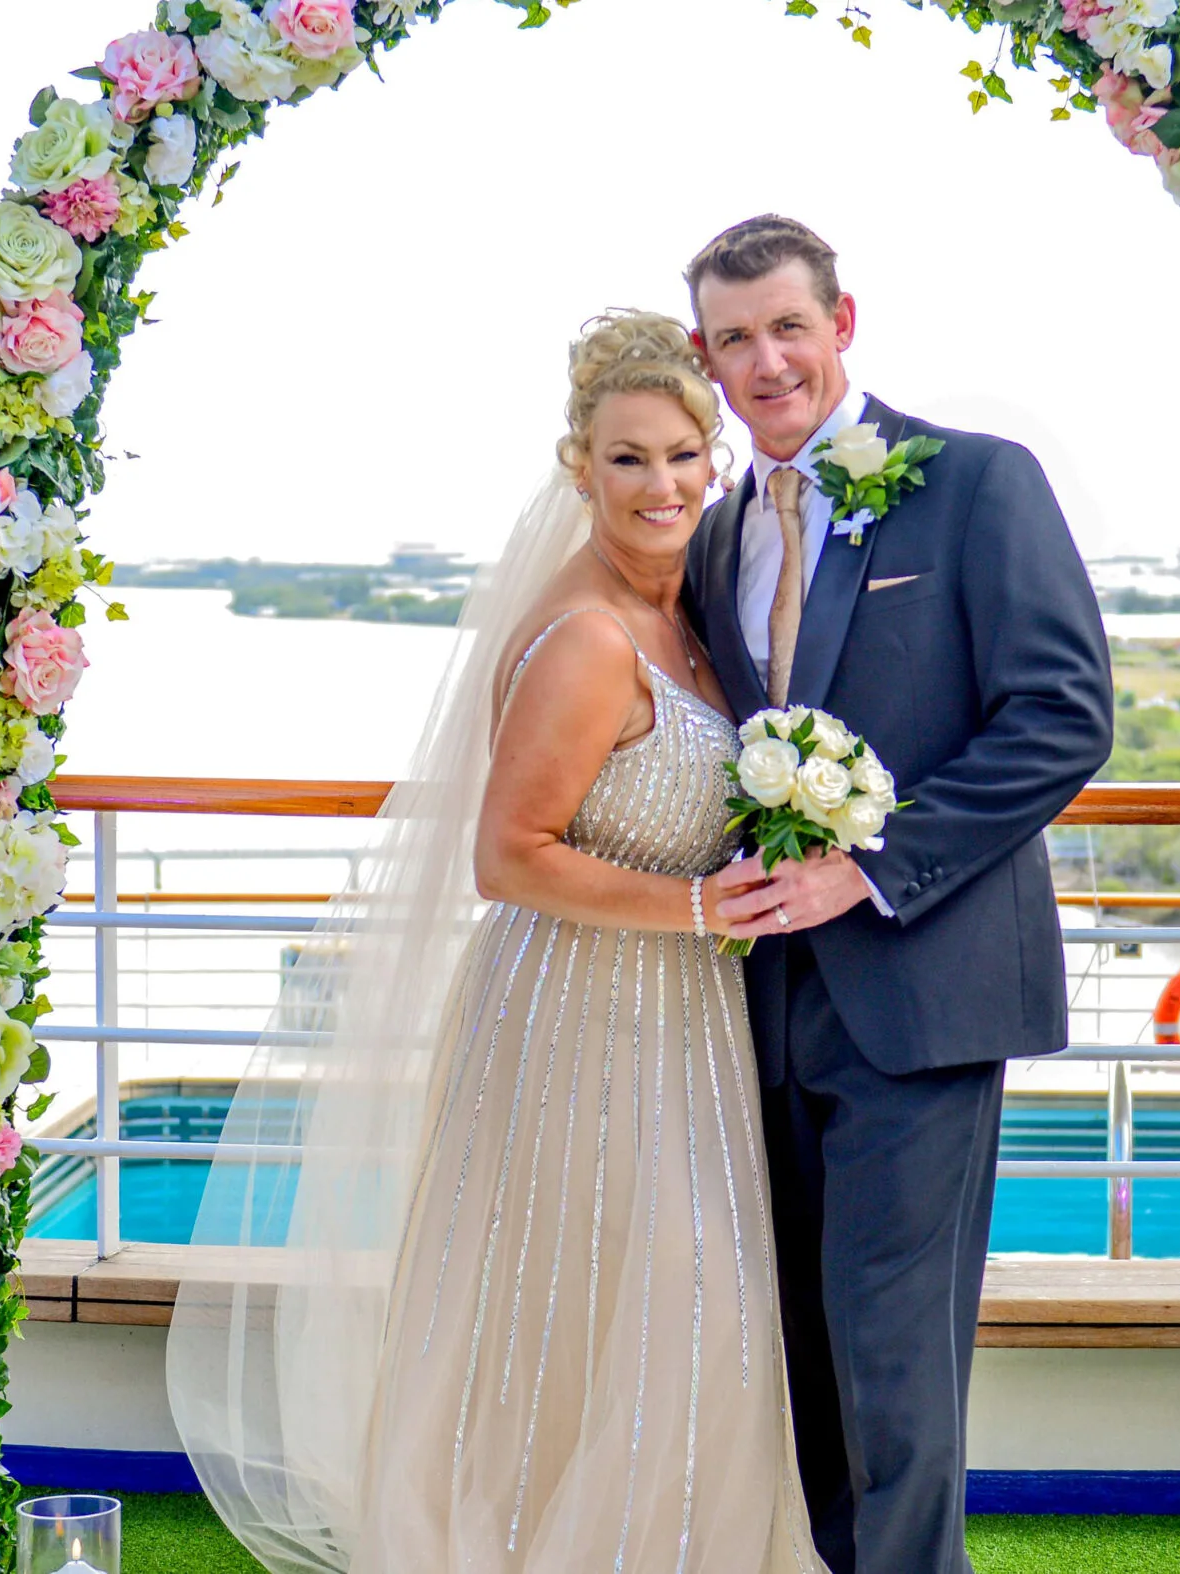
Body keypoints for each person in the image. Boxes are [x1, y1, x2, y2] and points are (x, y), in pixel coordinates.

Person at [169, 312, 828, 1572]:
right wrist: (696, 907)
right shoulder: (586, 637)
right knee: (591, 1292)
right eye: (629, 459)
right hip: (581, 1006)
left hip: (682, 1008)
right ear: (578, 466)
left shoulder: (688, 612)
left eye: (686, 454)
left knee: (672, 1298)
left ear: (718, 458)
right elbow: (505, 852)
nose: (663, 484)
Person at [682, 215, 1114, 1574]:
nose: (767, 361)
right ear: (706, 356)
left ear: (843, 321)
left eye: (787, 326)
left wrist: (867, 868)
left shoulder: (977, 484)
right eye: (736, 338)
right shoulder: (713, 534)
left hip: (922, 990)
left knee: (894, 1369)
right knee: (795, 1359)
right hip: (751, 1006)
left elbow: (1062, 715)